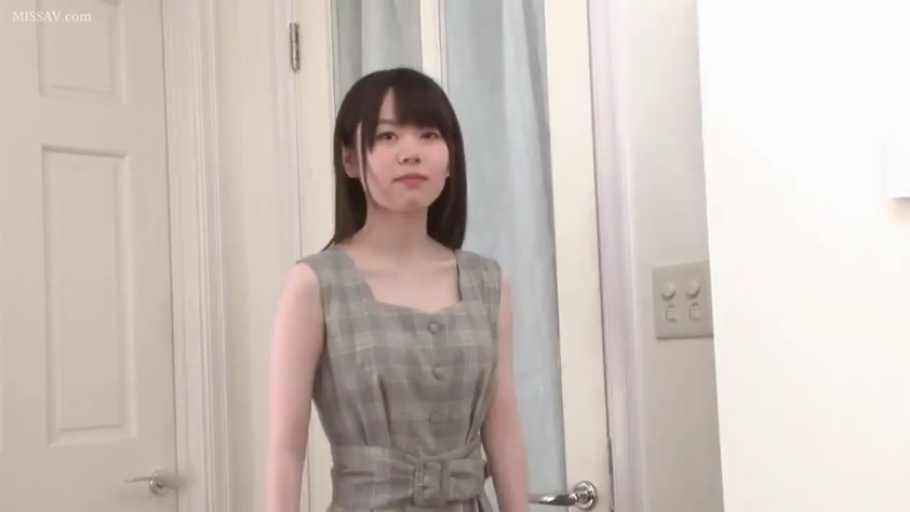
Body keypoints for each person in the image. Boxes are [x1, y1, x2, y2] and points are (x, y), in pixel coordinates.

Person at [265, 67, 529, 512]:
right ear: (350, 160)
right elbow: (286, 448)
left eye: (429, 135)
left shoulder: (488, 283)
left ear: (451, 158)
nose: (411, 153)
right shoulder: (315, 284)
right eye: (387, 136)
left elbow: (502, 430)